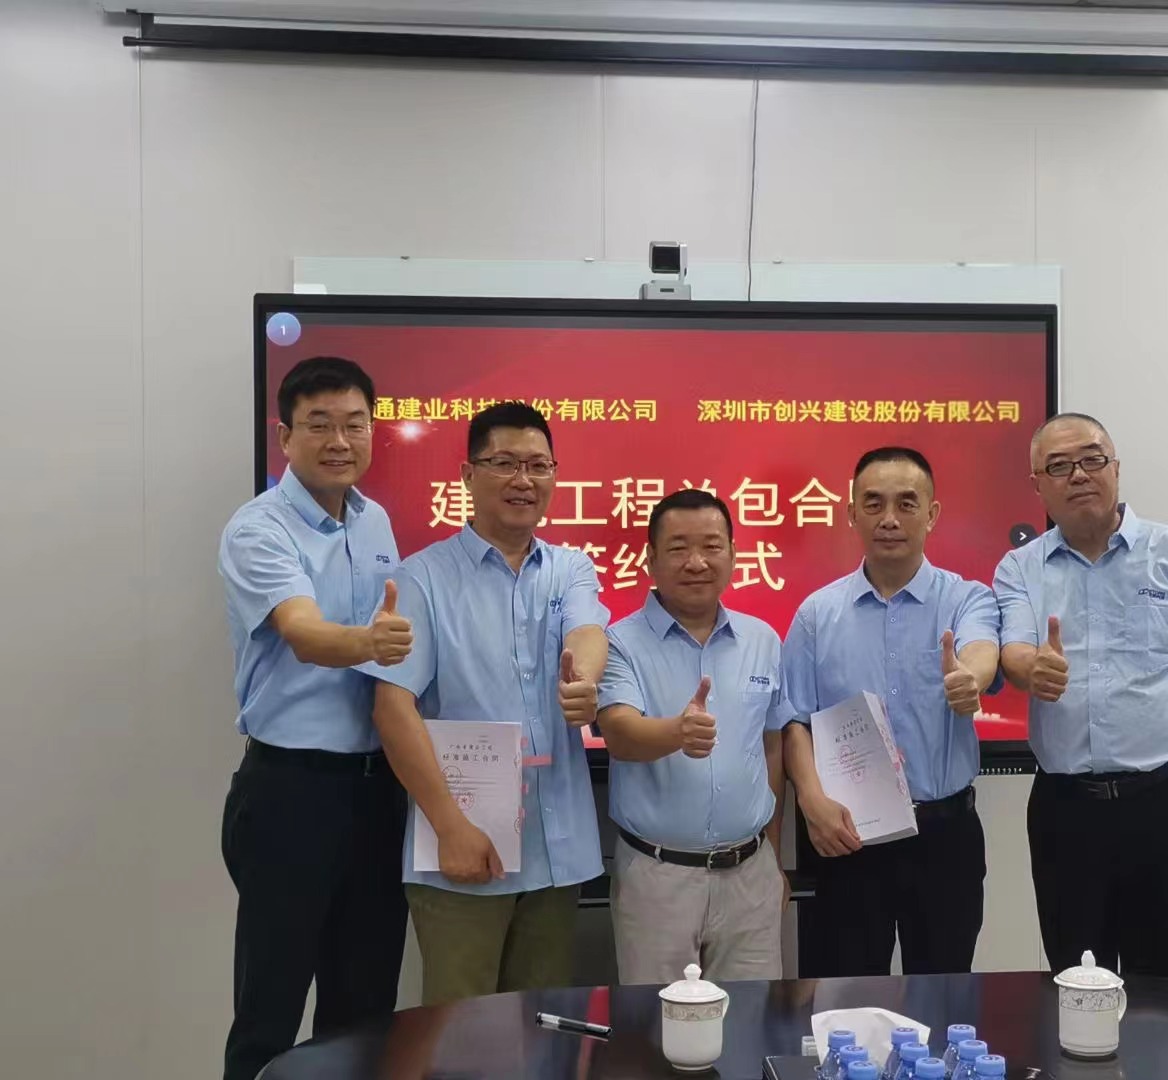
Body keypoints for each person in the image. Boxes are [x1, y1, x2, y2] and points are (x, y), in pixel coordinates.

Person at [993, 412, 1168, 979]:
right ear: (1037, 485)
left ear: (1116, 467)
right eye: (1058, 466)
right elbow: (1012, 650)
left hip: (1167, 806)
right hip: (1066, 809)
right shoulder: (1020, 568)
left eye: (1092, 459)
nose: (1078, 474)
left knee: (1164, 982)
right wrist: (1031, 668)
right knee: (1074, 982)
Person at [364, 401, 608, 1005]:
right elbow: (392, 708)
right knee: (462, 1033)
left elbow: (587, 632)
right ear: (468, 475)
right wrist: (450, 828)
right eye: (504, 463)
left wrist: (584, 682)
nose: (523, 480)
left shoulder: (571, 568)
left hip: (556, 848)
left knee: (544, 1027)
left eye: (538, 465)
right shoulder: (421, 578)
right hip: (463, 846)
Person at [217, 356, 413, 1080]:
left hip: (377, 790)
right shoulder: (258, 528)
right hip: (291, 793)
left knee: (363, 1010)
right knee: (269, 1009)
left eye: (355, 424)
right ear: (285, 436)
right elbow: (303, 633)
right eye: (320, 425)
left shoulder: (375, 519)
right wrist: (370, 644)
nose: (340, 441)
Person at [781, 446, 1001, 977]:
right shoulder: (816, 614)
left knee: (943, 996)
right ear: (851, 513)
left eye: (906, 503)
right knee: (844, 999)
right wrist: (810, 801)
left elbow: (981, 651)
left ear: (932, 513)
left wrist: (970, 679)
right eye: (874, 503)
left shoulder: (966, 599)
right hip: (848, 837)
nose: (889, 519)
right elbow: (794, 720)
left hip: (944, 836)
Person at [597, 489, 791, 984]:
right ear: (650, 560)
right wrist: (676, 733)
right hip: (658, 877)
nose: (697, 562)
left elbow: (771, 748)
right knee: (656, 1022)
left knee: (751, 1019)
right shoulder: (618, 642)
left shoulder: (763, 640)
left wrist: (772, 854)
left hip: (751, 874)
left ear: (734, 554)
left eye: (711, 546)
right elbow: (619, 733)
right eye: (679, 548)